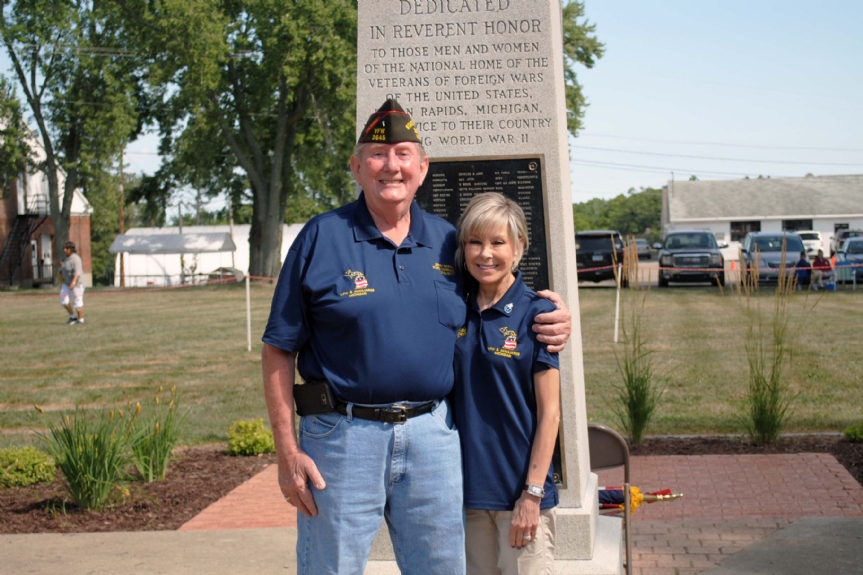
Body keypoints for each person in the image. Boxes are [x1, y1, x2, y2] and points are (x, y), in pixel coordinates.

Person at [261, 99, 571, 575]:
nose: (392, 166)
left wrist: (554, 316)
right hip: (343, 439)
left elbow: (498, 298)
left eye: (404, 154)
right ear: (357, 167)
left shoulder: (449, 241)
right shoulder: (321, 238)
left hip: (433, 438)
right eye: (379, 155)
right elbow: (278, 348)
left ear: (422, 168)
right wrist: (286, 452)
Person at [452, 193, 561, 574]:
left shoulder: (539, 314)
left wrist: (532, 495)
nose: (485, 254)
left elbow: (550, 415)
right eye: (475, 242)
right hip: (465, 498)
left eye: (497, 242)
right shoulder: (452, 308)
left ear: (519, 248)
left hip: (520, 499)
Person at [59, 241, 85, 324]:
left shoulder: (76, 259)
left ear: (71, 249)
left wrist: (73, 282)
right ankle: (73, 317)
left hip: (77, 283)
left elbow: (78, 272)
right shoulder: (65, 259)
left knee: (77, 301)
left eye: (67, 248)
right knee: (63, 300)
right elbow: (62, 270)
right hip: (66, 283)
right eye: (64, 248)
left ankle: (80, 320)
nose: (65, 250)